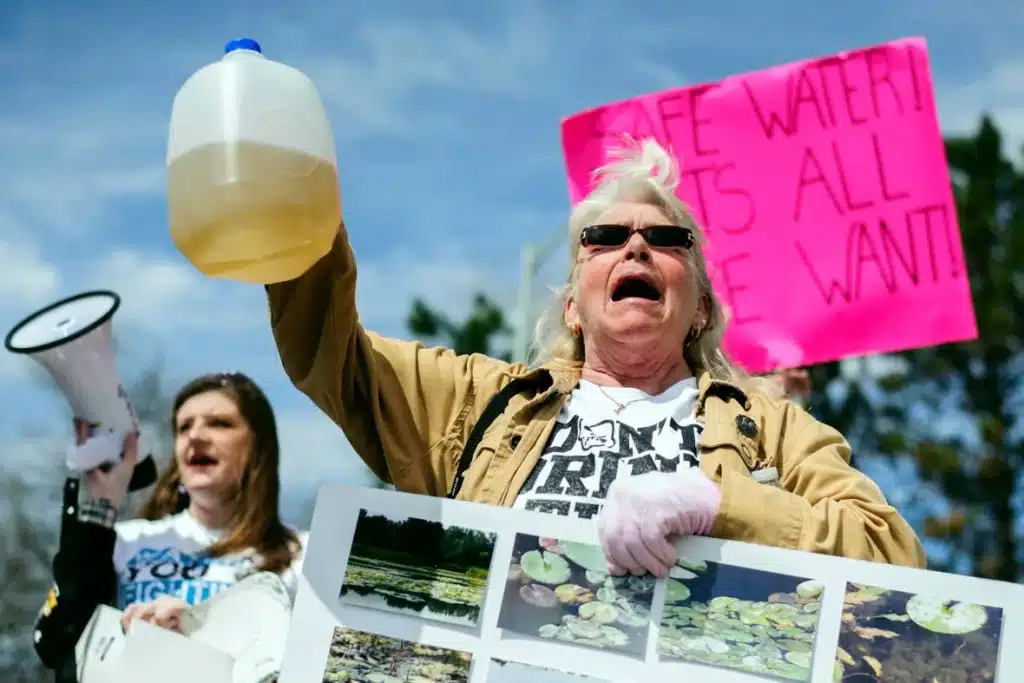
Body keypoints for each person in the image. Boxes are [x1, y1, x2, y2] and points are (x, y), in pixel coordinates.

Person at [264, 137, 925, 580]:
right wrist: (294, 208)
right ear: (574, 306)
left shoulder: (773, 427)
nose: (636, 247)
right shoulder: (478, 403)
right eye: (604, 238)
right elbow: (332, 353)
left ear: (699, 308)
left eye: (667, 239)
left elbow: (892, 558)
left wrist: (718, 504)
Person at [33, 371, 307, 678]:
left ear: (259, 445)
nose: (196, 435)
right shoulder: (126, 541)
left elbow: (347, 666)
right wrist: (97, 507)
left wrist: (200, 634)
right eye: (184, 427)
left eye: (219, 423)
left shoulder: (303, 555)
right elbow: (55, 645)